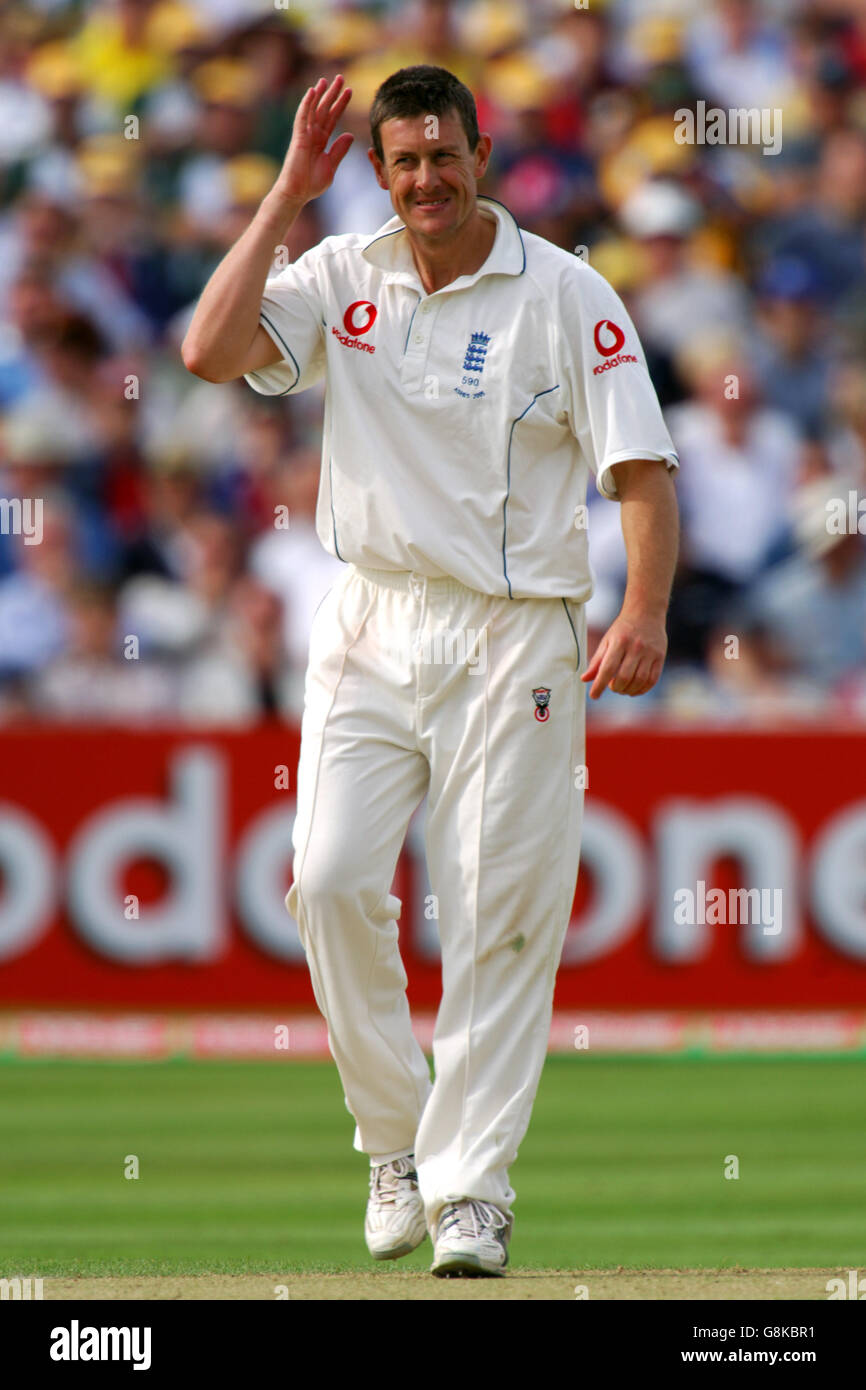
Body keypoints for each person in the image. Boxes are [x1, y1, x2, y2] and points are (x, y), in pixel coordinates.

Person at [182, 66, 680, 1278]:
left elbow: (642, 474)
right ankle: (394, 1143)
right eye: (399, 162)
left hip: (518, 630)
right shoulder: (341, 273)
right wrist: (290, 192)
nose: (422, 181)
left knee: (497, 911)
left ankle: (471, 1191)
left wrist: (646, 608)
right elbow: (205, 350)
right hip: (371, 617)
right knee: (330, 880)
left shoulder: (563, 292)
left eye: (439, 157)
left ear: (480, 152)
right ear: (376, 169)